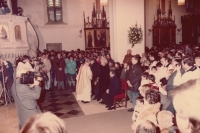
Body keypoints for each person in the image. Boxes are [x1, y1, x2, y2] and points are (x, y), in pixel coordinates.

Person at [12, 64, 42, 128]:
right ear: (23, 75)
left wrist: (30, 87)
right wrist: (37, 84)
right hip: (30, 113)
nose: (28, 76)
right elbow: (37, 96)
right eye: (27, 74)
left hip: (23, 112)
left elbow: (25, 95)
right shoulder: (22, 87)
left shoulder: (14, 84)